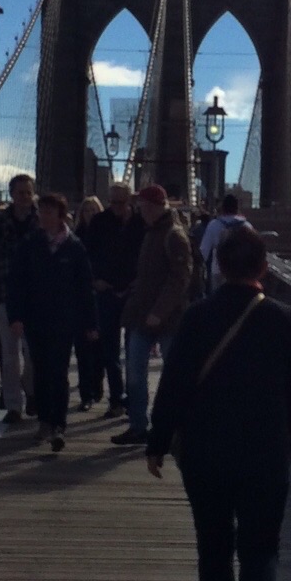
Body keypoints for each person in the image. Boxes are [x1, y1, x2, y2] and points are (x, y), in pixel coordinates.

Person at [146, 223, 291, 581]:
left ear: (218, 266)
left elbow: (174, 384)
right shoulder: (283, 319)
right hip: (264, 455)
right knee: (261, 547)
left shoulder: (197, 317)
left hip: (206, 453)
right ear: (264, 267)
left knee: (213, 547)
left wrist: (157, 441)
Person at [5, 192, 97, 454]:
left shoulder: (74, 247)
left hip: (64, 320)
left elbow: (85, 288)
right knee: (41, 372)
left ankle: (58, 424)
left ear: (61, 216)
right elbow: (16, 282)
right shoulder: (30, 244)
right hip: (35, 318)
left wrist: (90, 323)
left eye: (48, 212)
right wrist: (16, 316)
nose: (43, 217)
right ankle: (45, 421)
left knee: (58, 371)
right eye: (41, 212)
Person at [112, 183, 192, 448]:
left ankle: (175, 427)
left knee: (173, 376)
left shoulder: (174, 235)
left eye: (143, 206)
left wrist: (159, 312)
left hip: (167, 319)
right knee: (135, 374)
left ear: (155, 206)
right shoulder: (151, 233)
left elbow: (180, 279)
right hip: (142, 316)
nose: (139, 210)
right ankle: (138, 427)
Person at [0, 173, 39, 422]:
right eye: (20, 192)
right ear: (12, 194)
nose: (25, 197)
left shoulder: (42, 220)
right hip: (5, 294)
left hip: (36, 296)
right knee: (9, 354)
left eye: (28, 192)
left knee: (34, 353)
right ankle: (14, 406)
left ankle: (31, 390)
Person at [83, 181, 144, 418]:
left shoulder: (140, 223)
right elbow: (88, 255)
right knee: (110, 351)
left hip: (132, 293)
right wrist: (95, 280)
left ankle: (133, 399)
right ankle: (116, 399)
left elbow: (146, 256)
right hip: (106, 292)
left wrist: (138, 282)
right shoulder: (99, 222)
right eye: (113, 202)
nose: (116, 206)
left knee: (133, 351)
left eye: (121, 202)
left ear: (130, 200)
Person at [72, 195, 106, 409]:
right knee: (82, 348)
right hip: (80, 298)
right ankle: (86, 394)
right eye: (87, 210)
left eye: (94, 210)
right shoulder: (75, 238)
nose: (90, 214)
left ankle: (97, 384)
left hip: (101, 296)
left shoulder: (107, 236)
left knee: (99, 347)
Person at [199, 192, 251, 294]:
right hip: (240, 272)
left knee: (218, 299)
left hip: (219, 270)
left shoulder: (214, 225)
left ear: (222, 208)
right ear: (237, 208)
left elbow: (203, 251)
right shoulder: (246, 226)